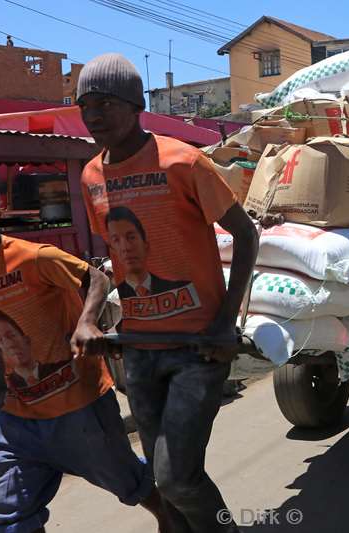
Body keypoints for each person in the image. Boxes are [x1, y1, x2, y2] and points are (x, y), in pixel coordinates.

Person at [76, 53, 259, 533]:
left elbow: (246, 234)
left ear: (136, 104)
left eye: (105, 103)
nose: (93, 115)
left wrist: (225, 321)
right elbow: (108, 259)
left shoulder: (183, 161)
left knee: (177, 478)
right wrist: (88, 319)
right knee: (164, 483)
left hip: (198, 347)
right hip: (139, 350)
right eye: (85, 105)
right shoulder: (91, 176)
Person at [0, 179, 172, 533]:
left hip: (78, 404)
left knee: (126, 480)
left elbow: (97, 279)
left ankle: (168, 511)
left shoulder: (33, 256)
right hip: (19, 415)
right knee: (10, 510)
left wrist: (86, 323)